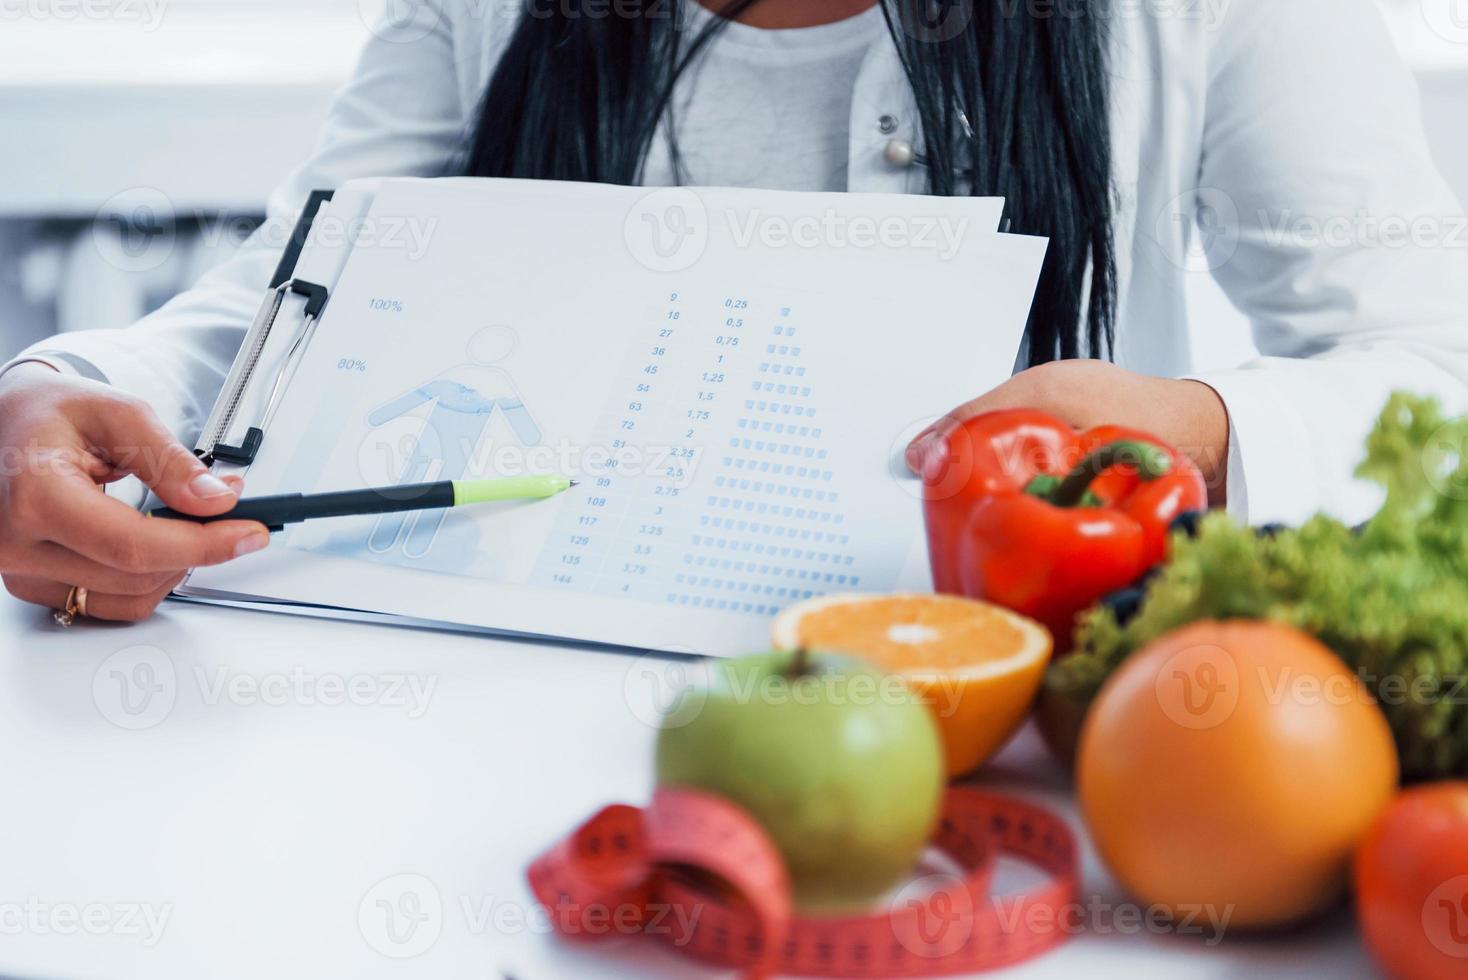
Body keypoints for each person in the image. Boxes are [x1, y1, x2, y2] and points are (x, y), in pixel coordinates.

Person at [1, 0, 1465, 621]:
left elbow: (1436, 374)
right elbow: (301, 289)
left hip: (1029, 760)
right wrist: (62, 385)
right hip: (496, 732)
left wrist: (1201, 423)